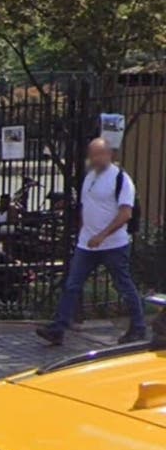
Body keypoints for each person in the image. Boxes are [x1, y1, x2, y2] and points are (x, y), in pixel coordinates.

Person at [37, 138, 146, 346]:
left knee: (123, 285)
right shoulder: (90, 177)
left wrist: (103, 235)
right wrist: (83, 233)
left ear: (109, 155)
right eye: (92, 154)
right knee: (72, 285)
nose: (94, 158)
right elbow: (85, 206)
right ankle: (58, 328)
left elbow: (125, 214)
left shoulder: (121, 179)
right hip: (86, 244)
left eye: (99, 154)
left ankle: (139, 327)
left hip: (113, 244)